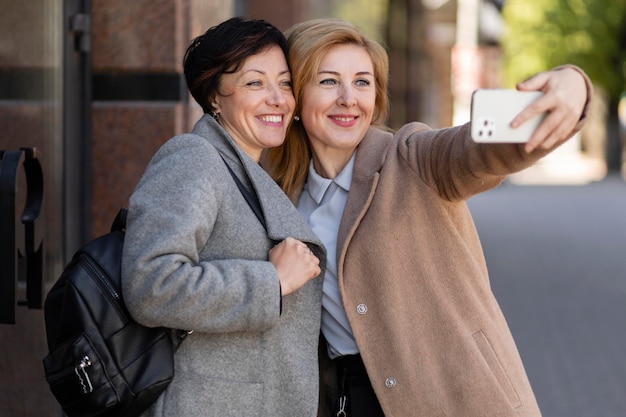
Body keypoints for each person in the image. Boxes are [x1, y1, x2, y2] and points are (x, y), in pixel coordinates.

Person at [264, 18, 592, 417]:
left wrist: (572, 84)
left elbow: (479, 150)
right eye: (329, 81)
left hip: (456, 395)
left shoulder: (413, 158)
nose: (349, 98)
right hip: (347, 399)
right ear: (295, 97)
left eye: (363, 82)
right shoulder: (280, 197)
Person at [121, 17, 326, 417]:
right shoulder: (195, 157)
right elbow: (152, 284)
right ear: (215, 97)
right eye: (255, 83)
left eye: (284, 83)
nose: (278, 98)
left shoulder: (247, 172)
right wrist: (272, 281)